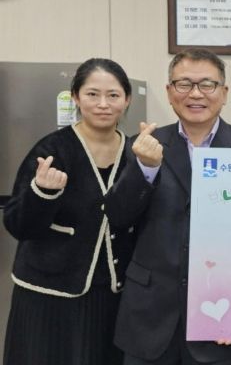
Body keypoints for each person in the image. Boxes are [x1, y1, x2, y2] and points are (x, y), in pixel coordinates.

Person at [114, 48, 231, 365]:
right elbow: (117, 217)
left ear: (224, 93)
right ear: (169, 92)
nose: (196, 94)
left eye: (207, 84)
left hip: (222, 318)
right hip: (150, 314)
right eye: (184, 84)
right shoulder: (142, 144)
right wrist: (145, 169)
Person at [3, 58, 153, 365]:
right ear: (76, 97)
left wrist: (147, 168)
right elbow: (18, 225)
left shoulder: (135, 152)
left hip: (112, 294)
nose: (103, 104)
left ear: (127, 100)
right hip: (49, 295)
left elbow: (139, 217)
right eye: (92, 94)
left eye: (113, 95)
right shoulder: (52, 150)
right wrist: (43, 193)